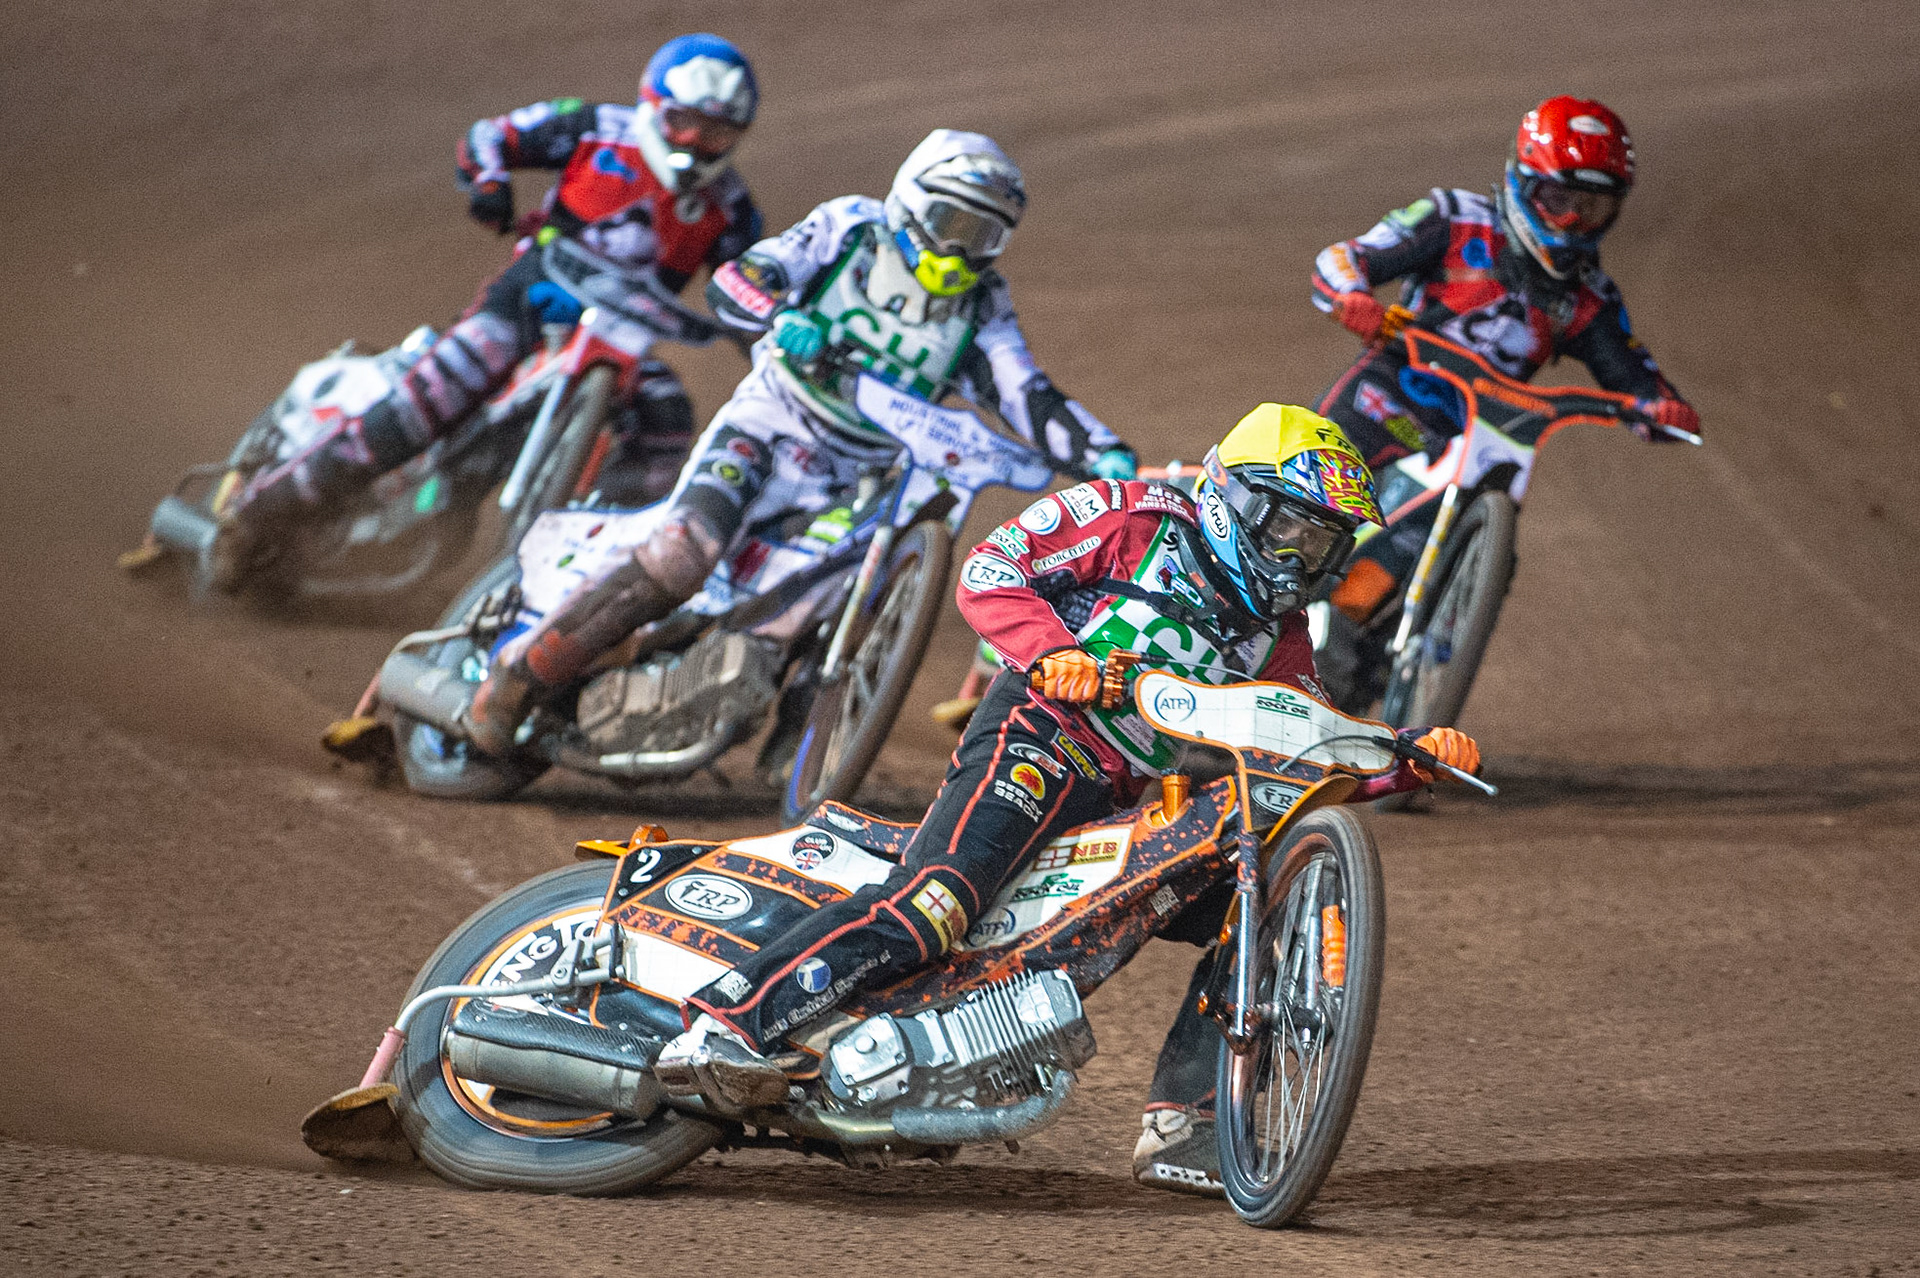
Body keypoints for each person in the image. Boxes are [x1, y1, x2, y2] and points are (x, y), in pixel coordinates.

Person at [652, 404, 1482, 1202]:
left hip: (1118, 791)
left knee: (1249, 901)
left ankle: (1185, 1123)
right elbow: (989, 569)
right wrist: (1053, 652)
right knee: (936, 905)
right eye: (1294, 531)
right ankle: (730, 1024)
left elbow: (1301, 742)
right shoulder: (1132, 516)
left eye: (1325, 543)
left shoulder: (1280, 630)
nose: (1305, 559)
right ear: (1238, 499)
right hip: (1035, 737)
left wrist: (1405, 761)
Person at [460, 127, 1138, 754]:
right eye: (951, 224)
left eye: (983, 236)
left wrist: (1105, 456)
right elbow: (741, 279)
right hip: (769, 427)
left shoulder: (983, 304)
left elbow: (1025, 391)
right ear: (909, 204)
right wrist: (782, 317)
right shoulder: (849, 230)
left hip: (861, 474)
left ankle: (761, 712)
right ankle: (517, 675)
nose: (962, 249)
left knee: (836, 591)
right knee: (682, 554)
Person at [210, 34, 763, 587]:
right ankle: (261, 513)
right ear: (651, 106)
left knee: (669, 420)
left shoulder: (731, 209)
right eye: (683, 122)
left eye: (715, 132)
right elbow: (491, 135)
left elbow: (748, 290)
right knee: (438, 389)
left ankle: (588, 573)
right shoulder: (596, 129)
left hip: (623, 346)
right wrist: (491, 184)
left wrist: (768, 337)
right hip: (529, 304)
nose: (695, 142)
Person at [1307, 95, 1700, 699]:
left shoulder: (1589, 295)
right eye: (1558, 201)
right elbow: (1343, 259)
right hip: (1384, 399)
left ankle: (1375, 679)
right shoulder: (1454, 217)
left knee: (1455, 554)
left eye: (1591, 207)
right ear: (1521, 180)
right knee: (1299, 513)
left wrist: (1659, 409)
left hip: (1475, 440)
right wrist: (1352, 295)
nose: (1571, 222)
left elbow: (1636, 377)